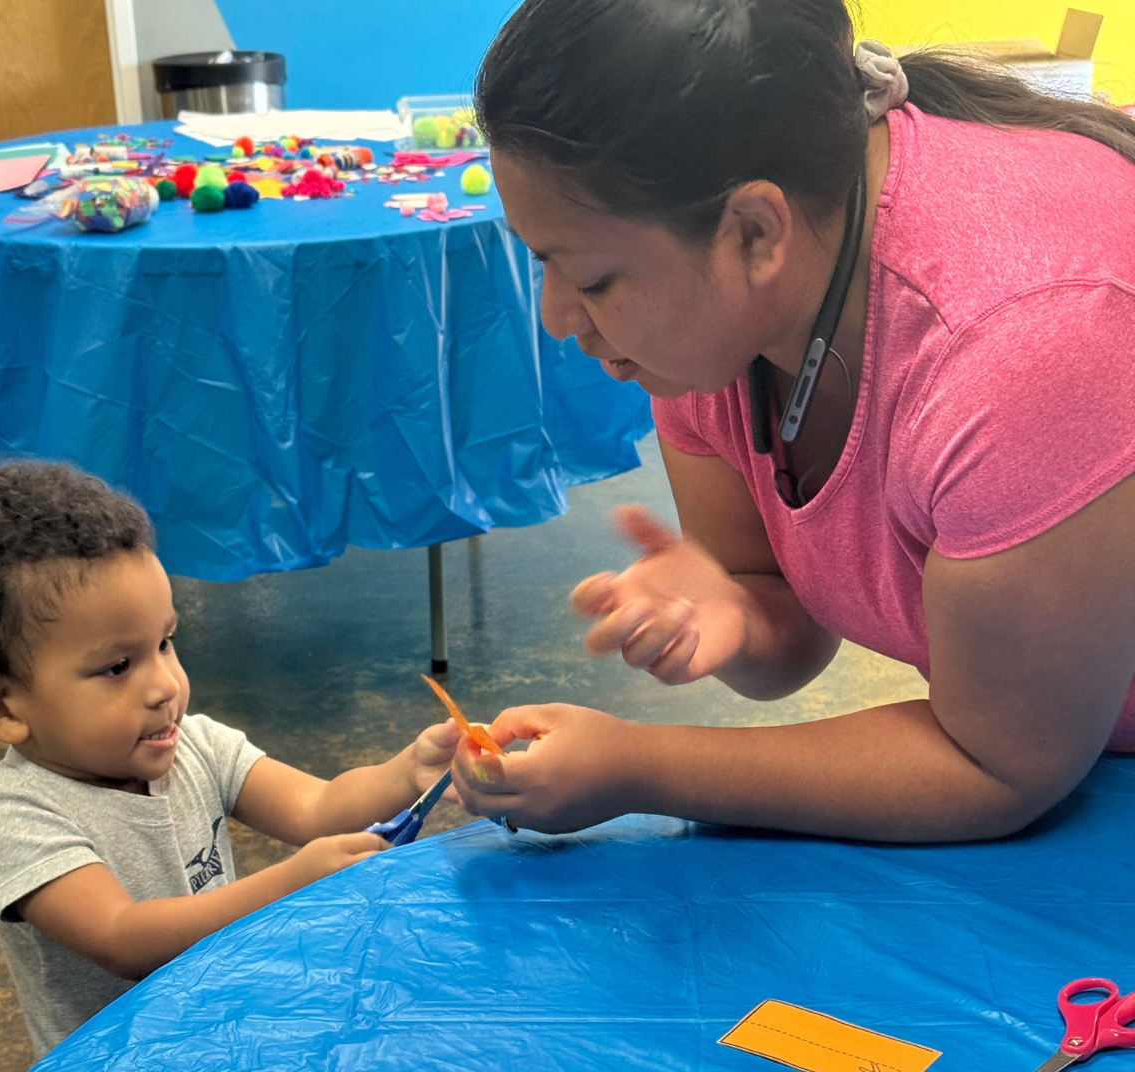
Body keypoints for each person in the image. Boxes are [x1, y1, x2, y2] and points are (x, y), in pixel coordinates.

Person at [451, 0, 1135, 841]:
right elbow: (779, 610)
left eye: (592, 280)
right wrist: (735, 614)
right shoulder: (710, 326)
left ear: (753, 232)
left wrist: (642, 765)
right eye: (544, 264)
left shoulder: (1021, 341)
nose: (559, 317)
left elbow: (998, 765)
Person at [0, 460, 458, 1058]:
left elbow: (316, 807)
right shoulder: (12, 816)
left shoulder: (193, 744)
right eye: (116, 667)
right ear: (0, 706)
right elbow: (121, 937)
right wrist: (291, 883)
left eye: (165, 643)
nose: (165, 686)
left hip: (218, 1033)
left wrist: (408, 771)